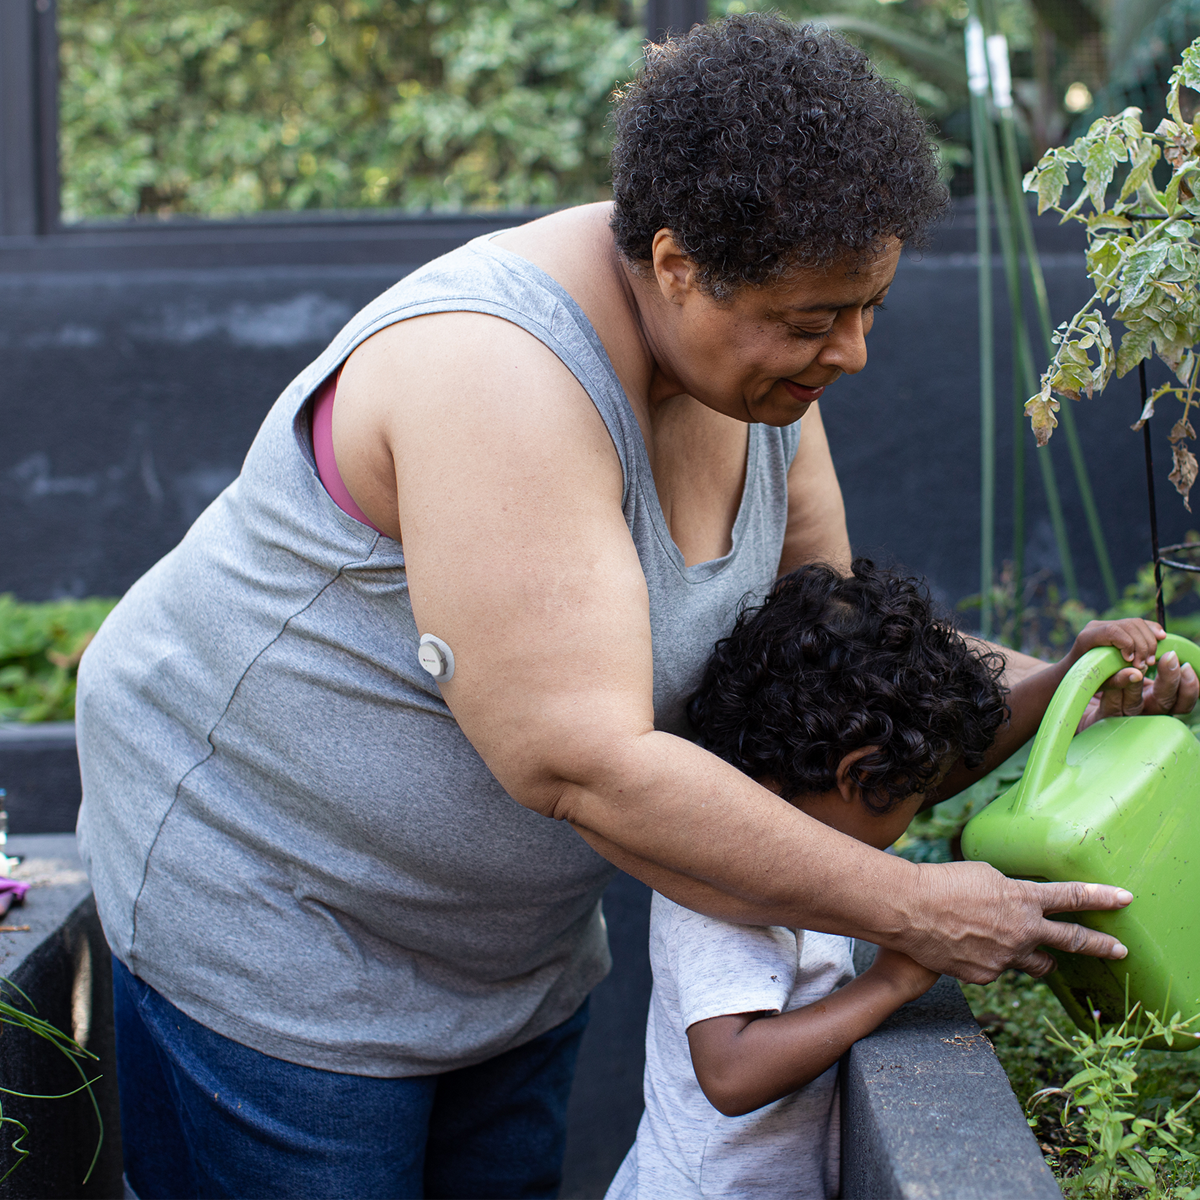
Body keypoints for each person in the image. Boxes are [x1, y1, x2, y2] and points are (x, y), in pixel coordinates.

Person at [74, 14, 1196, 1199]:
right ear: (673, 264)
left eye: (866, 308)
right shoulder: (495, 372)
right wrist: (920, 907)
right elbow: (584, 764)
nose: (852, 353)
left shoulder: (754, 377)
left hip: (505, 947)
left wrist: (1061, 680)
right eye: (815, 319)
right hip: (276, 912)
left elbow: (833, 649)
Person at [606, 561, 1171, 1199]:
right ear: (859, 774)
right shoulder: (720, 892)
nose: (927, 801)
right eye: (924, 788)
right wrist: (893, 982)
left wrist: (1066, 675)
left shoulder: (797, 825)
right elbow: (731, 1073)